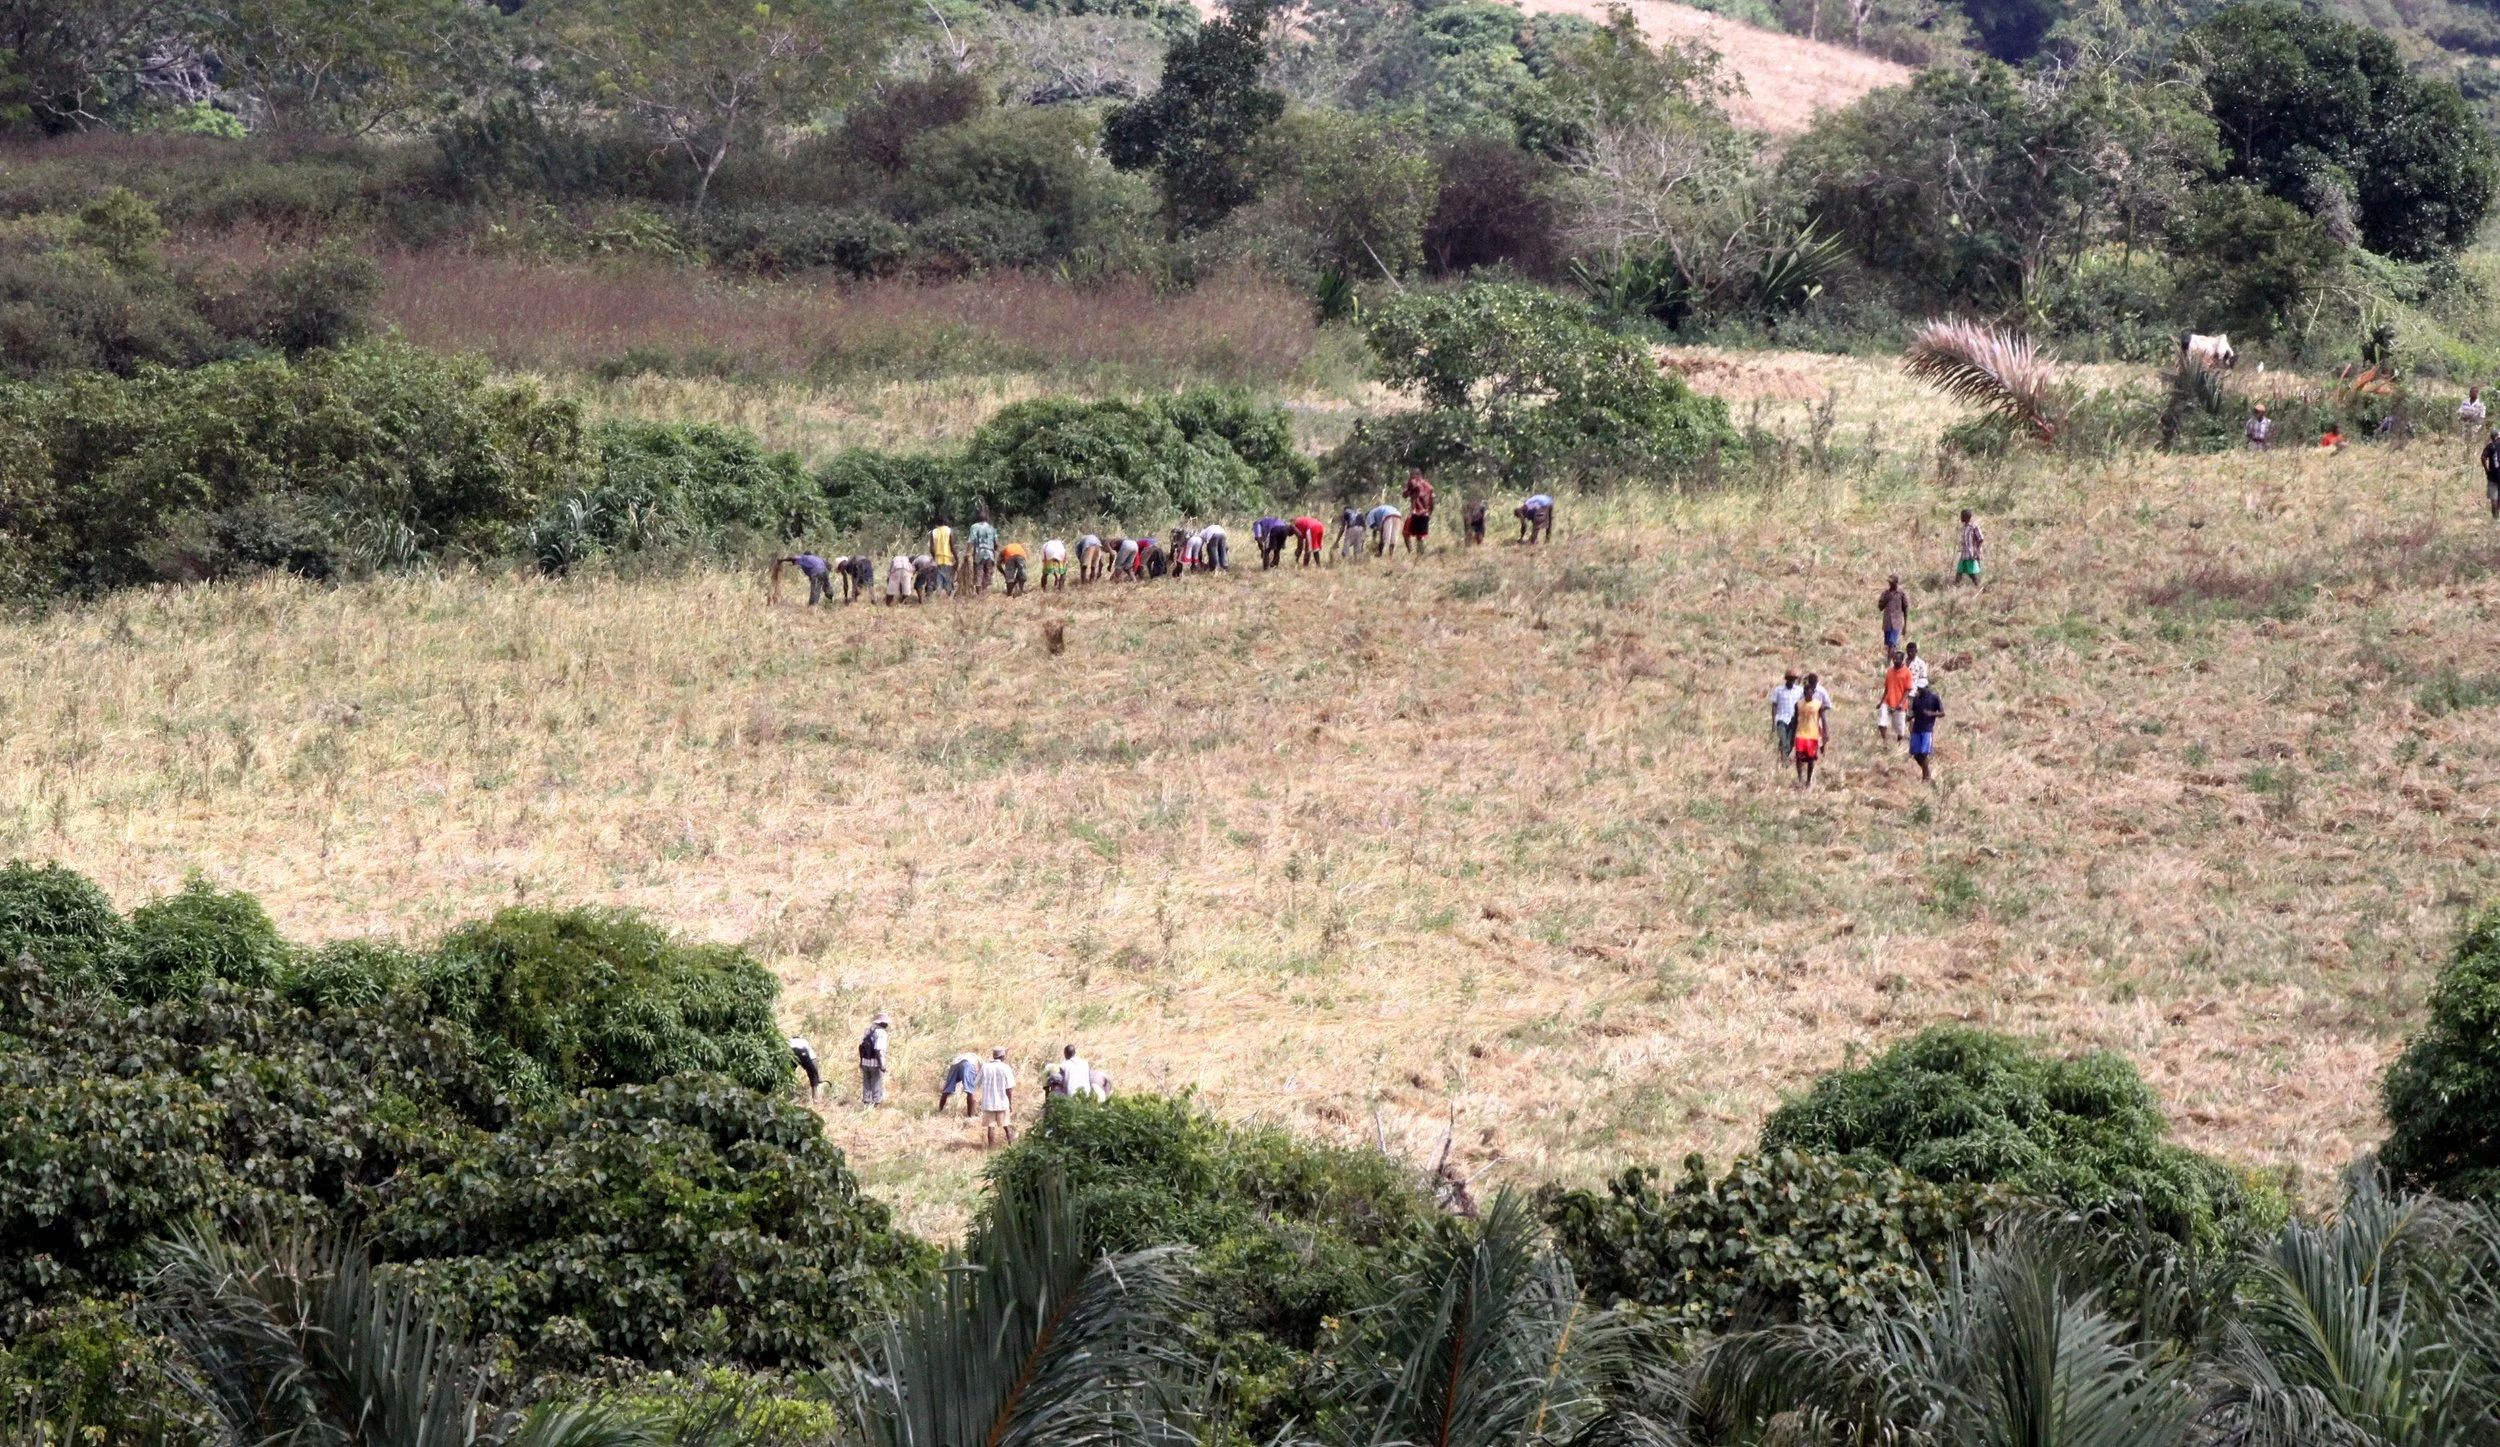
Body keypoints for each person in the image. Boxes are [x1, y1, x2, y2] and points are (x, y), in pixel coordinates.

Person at [977, 1045, 1017, 1147]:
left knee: (991, 1127)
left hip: (988, 1102)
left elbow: (976, 1083)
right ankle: (1011, 1146)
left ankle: (990, 1148)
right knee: (1006, 1125)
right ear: (1003, 1056)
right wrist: (1010, 1103)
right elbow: (1009, 1088)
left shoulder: (985, 1067)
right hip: (1002, 1102)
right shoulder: (1006, 1068)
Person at [1792, 672, 1827, 788]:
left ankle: (1808, 780)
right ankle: (1799, 779)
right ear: (1804, 693)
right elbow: (1795, 719)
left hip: (1812, 735)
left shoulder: (1818, 704)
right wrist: (1793, 733)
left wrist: (1825, 733)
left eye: (1809, 693)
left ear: (1813, 693)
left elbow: (1823, 719)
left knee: (1811, 759)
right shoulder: (1798, 704)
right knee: (1799, 757)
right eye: (1806, 693)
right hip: (1800, 734)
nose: (1808, 695)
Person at [1908, 682, 1944, 783]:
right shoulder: (1916, 699)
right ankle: (1927, 773)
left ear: (1927, 688)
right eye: (1918, 688)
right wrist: (1909, 717)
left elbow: (1942, 713)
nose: (1919, 690)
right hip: (1916, 728)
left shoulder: (1934, 698)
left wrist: (1932, 713)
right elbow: (1915, 712)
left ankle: (1926, 777)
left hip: (1927, 729)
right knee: (1915, 754)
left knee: (1924, 753)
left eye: (1921, 688)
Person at [1877, 650, 1912, 743]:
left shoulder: (1907, 672)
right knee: (1881, 722)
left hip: (1899, 704)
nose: (1895, 661)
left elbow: (1908, 690)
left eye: (1897, 659)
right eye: (1894, 659)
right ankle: (1885, 740)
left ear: (1902, 660)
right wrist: (1881, 702)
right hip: (1887, 701)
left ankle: (1898, 743)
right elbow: (1887, 687)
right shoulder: (1890, 671)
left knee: (1900, 730)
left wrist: (1901, 703)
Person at [858, 1012, 891, 1107]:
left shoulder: (868, 1030)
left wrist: (861, 1061)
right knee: (877, 1083)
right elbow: (878, 1049)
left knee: (866, 1083)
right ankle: (876, 1104)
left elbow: (860, 1046)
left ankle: (866, 1103)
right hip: (875, 1063)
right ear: (882, 1023)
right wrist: (882, 1064)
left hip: (865, 1061)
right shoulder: (881, 1033)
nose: (887, 1025)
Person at [937, 1050, 980, 1117]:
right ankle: (970, 1115)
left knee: (946, 1089)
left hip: (955, 1063)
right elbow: (978, 1076)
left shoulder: (966, 1056)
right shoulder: (978, 1061)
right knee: (970, 1091)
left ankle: (939, 1109)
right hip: (967, 1065)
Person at [1402, 470, 1436, 555]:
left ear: (1415, 475)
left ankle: (1410, 552)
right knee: (1419, 536)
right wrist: (1429, 513)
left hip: (1415, 513)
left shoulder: (1414, 483)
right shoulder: (1430, 487)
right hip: (1425, 513)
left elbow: (1405, 495)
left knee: (1405, 533)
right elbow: (1432, 503)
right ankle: (1420, 554)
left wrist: (1409, 485)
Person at [1770, 670, 1802, 759]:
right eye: (1789, 679)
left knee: (1791, 742)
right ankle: (1783, 759)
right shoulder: (1778, 690)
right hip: (1781, 719)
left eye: (1793, 679)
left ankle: (1784, 757)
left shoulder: (1799, 690)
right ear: (1786, 679)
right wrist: (1773, 722)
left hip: (1794, 720)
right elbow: (1774, 706)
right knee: (1783, 740)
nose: (1791, 681)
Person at [968, 511, 1000, 593]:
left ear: (978, 519)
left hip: (979, 554)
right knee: (988, 573)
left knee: (978, 573)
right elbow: (996, 543)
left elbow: (971, 541)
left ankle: (979, 593)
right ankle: (985, 592)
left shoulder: (974, 527)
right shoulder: (992, 528)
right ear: (987, 519)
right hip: (990, 554)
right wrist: (995, 551)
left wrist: (967, 553)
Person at [1876, 574, 1909, 652]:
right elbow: (1880, 607)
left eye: (1892, 582)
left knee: (1892, 643)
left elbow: (1905, 609)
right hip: (1887, 623)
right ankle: (1891, 657)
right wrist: (1886, 600)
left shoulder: (1901, 594)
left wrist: (1905, 626)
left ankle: (1890, 658)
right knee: (1888, 644)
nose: (1890, 584)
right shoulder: (1885, 594)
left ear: (1896, 583)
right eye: (1889, 582)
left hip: (1896, 623)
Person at [1955, 509, 1984, 588]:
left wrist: (1976, 551)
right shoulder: (1964, 527)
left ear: (1966, 517)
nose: (1960, 517)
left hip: (1971, 554)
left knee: (1971, 572)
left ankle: (1978, 586)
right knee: (1959, 570)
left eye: (1962, 516)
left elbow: (1981, 539)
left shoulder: (1974, 526)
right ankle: (1955, 587)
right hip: (1964, 553)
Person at [789, 1035, 821, 1101]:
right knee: (812, 1074)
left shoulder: (788, 1041)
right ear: (799, 1038)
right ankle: (815, 1099)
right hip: (802, 1052)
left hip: (790, 1052)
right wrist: (818, 1076)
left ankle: (790, 1096)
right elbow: (814, 1060)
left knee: (789, 1074)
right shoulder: (804, 1041)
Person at [930, 521, 956, 594]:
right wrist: (956, 557)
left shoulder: (934, 532)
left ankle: (938, 596)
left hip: (938, 559)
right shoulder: (949, 531)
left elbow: (931, 549)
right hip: (948, 559)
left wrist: (934, 557)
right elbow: (952, 546)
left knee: (939, 579)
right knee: (948, 579)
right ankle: (948, 596)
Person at [2483, 428, 2500, 519]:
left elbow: (2483, 457)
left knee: (2493, 497)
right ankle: (2497, 513)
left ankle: (2495, 516)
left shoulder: (2490, 446)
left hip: (2492, 475)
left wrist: (2486, 469)